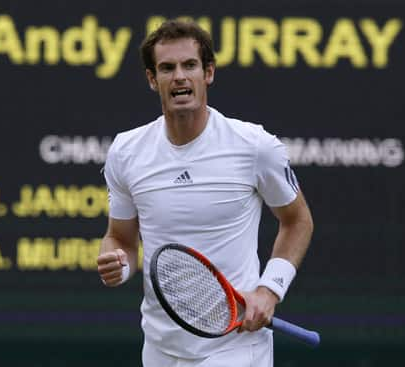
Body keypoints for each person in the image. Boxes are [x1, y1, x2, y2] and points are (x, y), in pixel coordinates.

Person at [97, 19, 313, 367]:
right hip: (160, 344)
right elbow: (120, 239)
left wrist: (269, 290)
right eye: (167, 68)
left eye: (190, 65)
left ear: (207, 73)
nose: (179, 76)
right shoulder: (126, 151)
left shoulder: (255, 146)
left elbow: (298, 220)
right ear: (153, 80)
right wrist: (118, 265)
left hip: (236, 344)